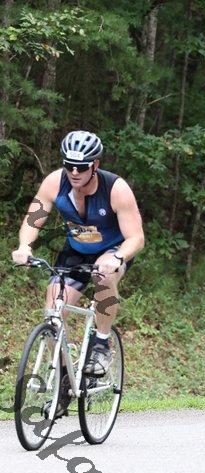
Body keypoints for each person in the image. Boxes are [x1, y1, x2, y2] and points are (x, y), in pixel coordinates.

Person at [12, 130, 145, 412]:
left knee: (103, 275)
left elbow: (136, 238)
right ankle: (63, 381)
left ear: (95, 165)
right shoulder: (54, 182)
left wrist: (118, 257)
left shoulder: (116, 189)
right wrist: (24, 246)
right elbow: (34, 219)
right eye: (69, 165)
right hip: (76, 252)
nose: (74, 172)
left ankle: (101, 343)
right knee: (53, 311)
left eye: (81, 167)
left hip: (112, 250)